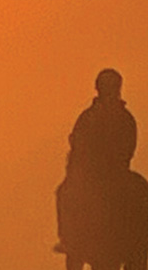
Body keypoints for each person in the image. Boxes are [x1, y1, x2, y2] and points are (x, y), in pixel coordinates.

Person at [55, 69, 137, 253]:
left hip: (97, 174)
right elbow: (131, 146)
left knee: (64, 193)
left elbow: (78, 144)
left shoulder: (89, 117)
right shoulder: (126, 117)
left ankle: (67, 238)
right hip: (119, 172)